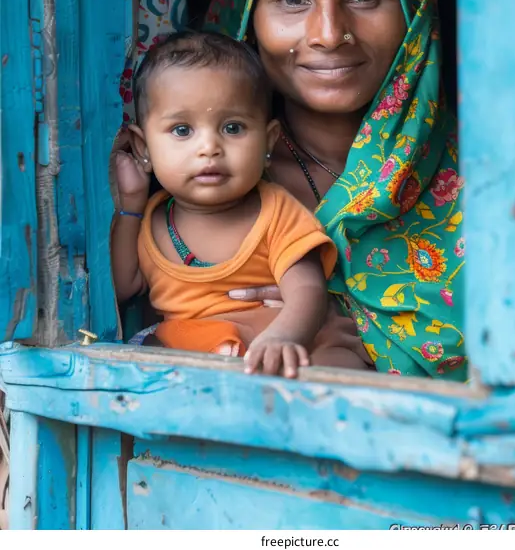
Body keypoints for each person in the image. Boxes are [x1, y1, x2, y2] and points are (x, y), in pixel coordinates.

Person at [114, 0, 466, 381]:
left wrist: (320, 315)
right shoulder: (198, 179)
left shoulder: (485, 177)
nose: (329, 33)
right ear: (248, 15)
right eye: (293, 0)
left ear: (413, 8)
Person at [111, 30, 370, 378]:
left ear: (268, 141)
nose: (209, 148)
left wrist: (283, 336)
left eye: (232, 128)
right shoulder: (153, 222)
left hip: (295, 343)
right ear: (143, 148)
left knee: (339, 363)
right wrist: (131, 204)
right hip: (205, 349)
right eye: (182, 130)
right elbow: (123, 285)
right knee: (161, 349)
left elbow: (307, 290)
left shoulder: (275, 211)